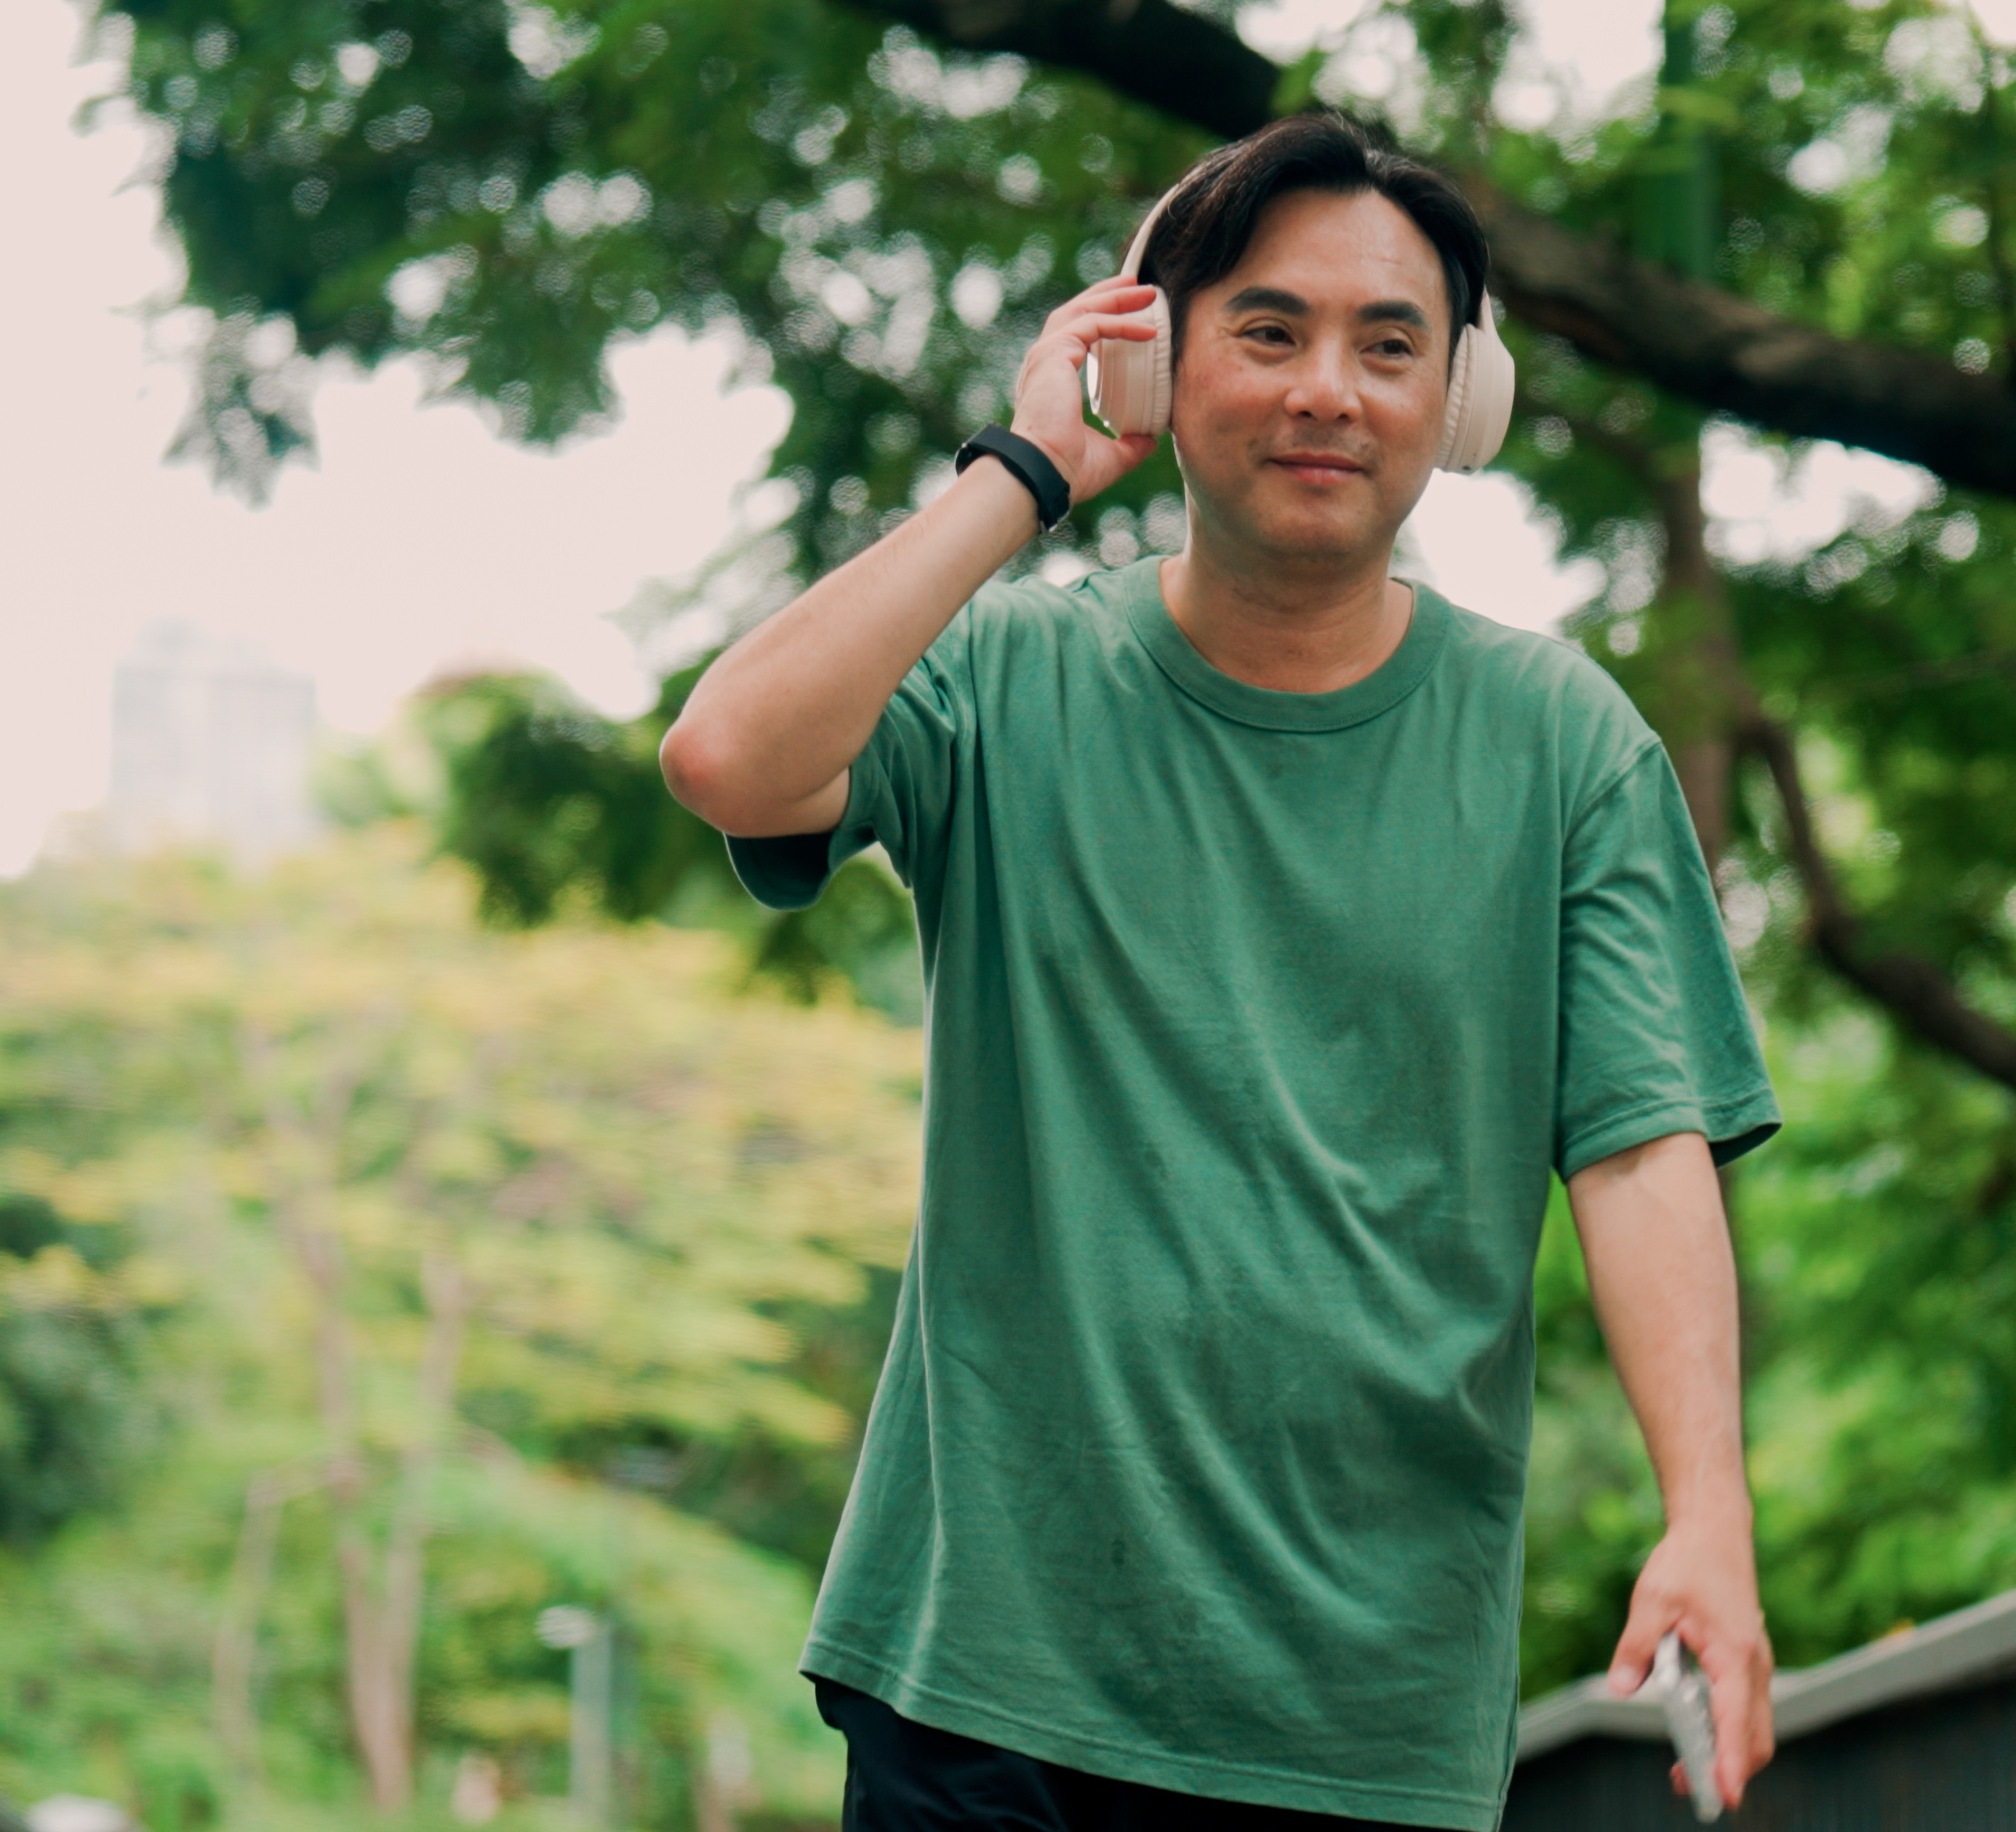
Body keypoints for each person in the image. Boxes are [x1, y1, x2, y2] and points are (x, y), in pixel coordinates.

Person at [659, 112, 1780, 1831]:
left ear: (1457, 404)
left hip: (1363, 1713)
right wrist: (1024, 469)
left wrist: (1708, 1511)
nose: (1329, 388)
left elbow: (1640, 1146)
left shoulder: (1566, 746)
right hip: (986, 1681)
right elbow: (733, 756)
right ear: (1157, 362)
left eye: (1388, 345)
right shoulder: (1005, 681)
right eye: (1269, 330)